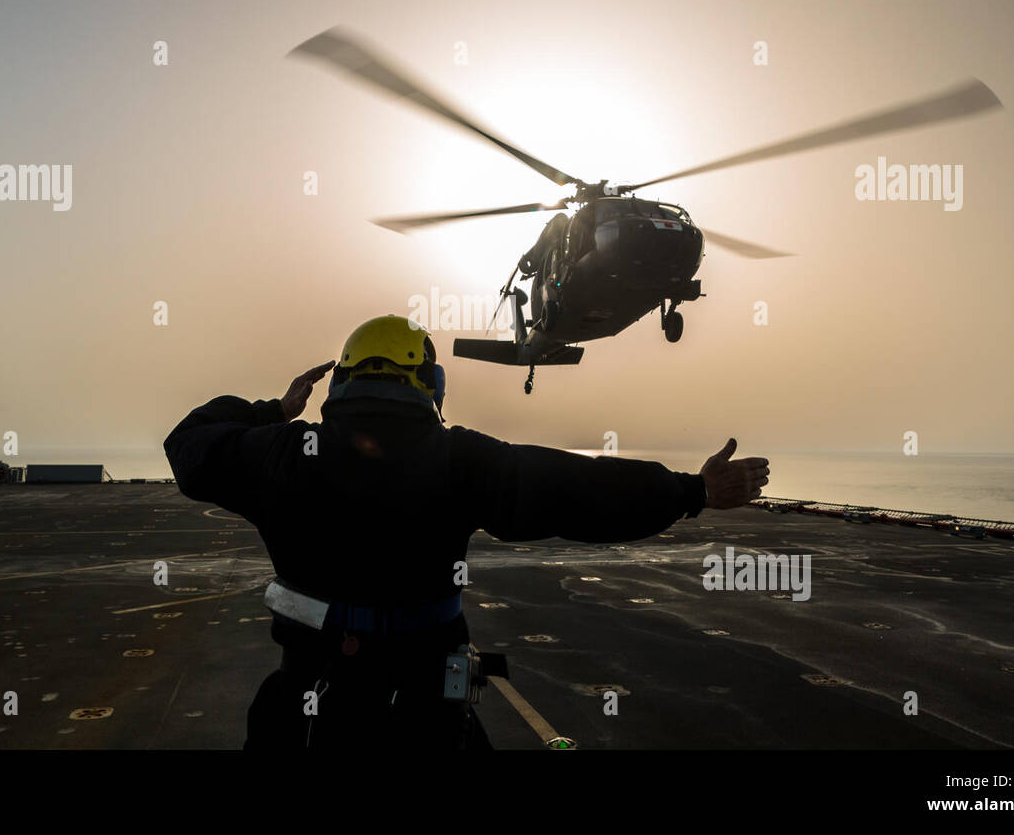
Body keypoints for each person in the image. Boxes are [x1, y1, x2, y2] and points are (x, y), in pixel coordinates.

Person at [163, 314, 769, 750]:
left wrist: (273, 410)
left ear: (340, 381)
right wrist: (692, 492)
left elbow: (188, 446)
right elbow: (578, 488)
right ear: (427, 385)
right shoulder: (459, 459)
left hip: (307, 699)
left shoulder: (282, 452)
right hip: (424, 705)